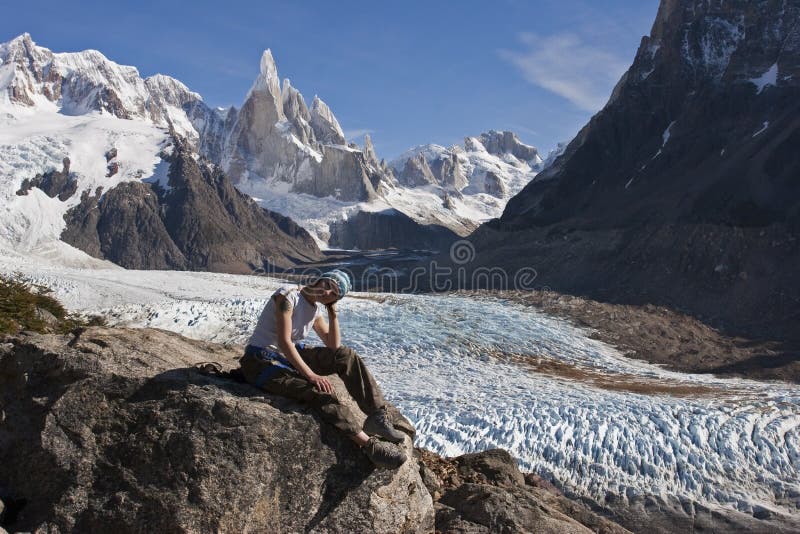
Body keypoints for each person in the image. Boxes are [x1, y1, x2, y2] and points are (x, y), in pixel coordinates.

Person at [238, 269, 407, 469]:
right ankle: (370, 446)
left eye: (334, 293)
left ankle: (377, 416)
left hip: (290, 357)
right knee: (321, 391)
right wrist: (311, 375)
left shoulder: (316, 309)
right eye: (327, 284)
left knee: (345, 355)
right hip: (261, 360)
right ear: (320, 279)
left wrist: (332, 312)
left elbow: (334, 346)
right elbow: (284, 342)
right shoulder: (287, 296)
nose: (327, 292)